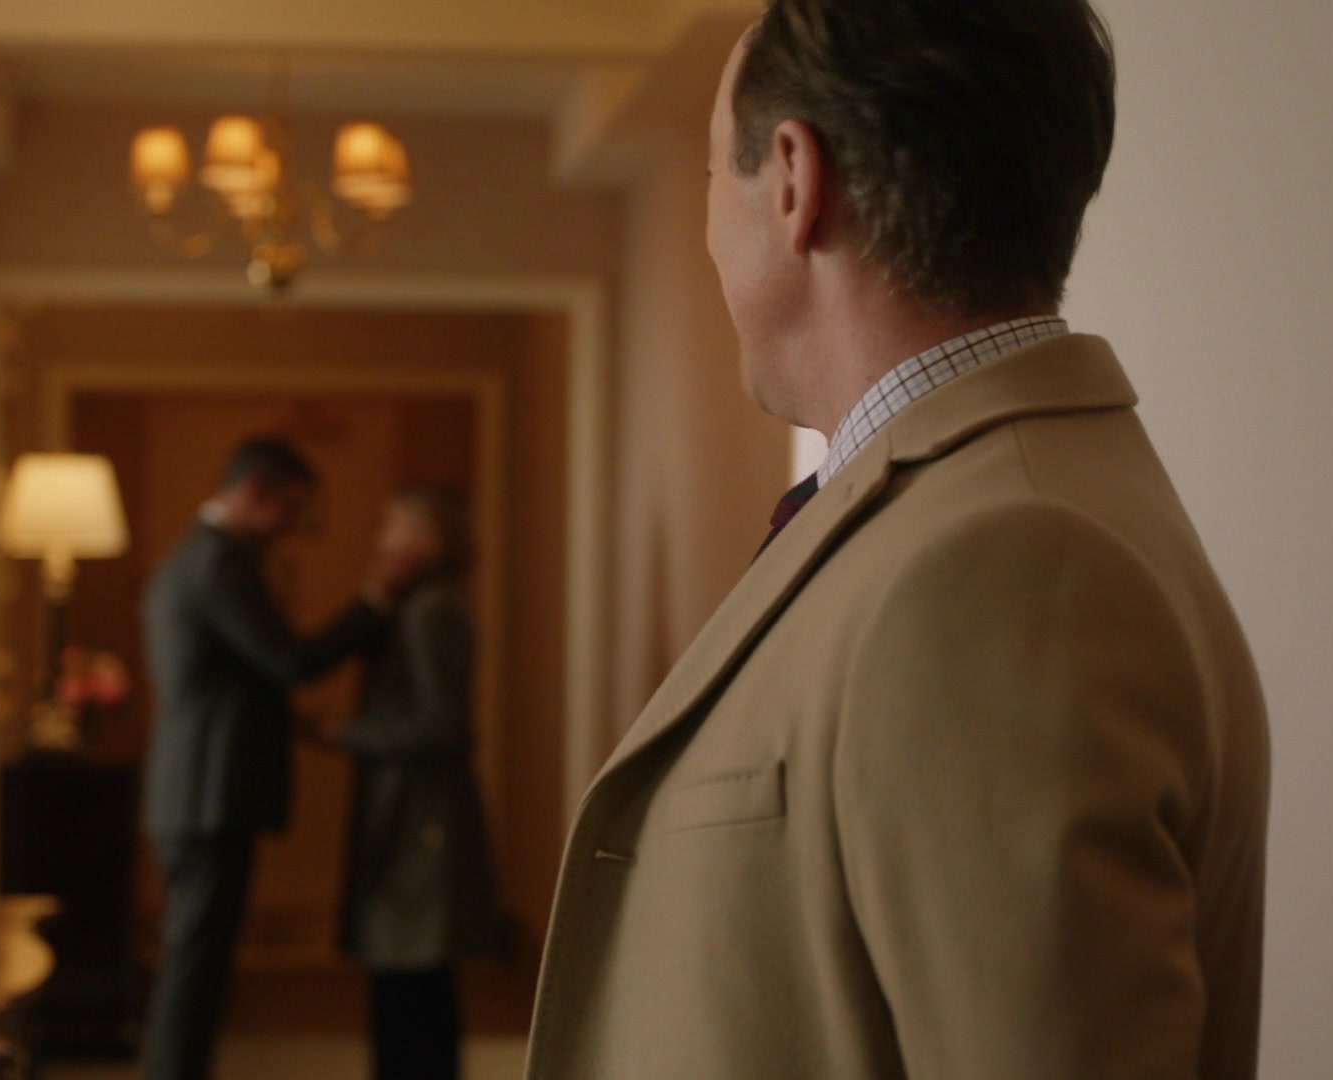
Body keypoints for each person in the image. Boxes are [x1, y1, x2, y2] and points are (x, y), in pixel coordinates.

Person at [524, 3, 1270, 1079]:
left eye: (712, 178)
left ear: (795, 180)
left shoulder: (1007, 566)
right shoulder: (987, 515)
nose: (708, 230)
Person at [139, 438, 405, 1080]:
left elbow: (229, 676)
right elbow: (290, 659)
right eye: (291, 508)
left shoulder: (197, 556)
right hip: (208, 791)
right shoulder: (220, 563)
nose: (294, 527)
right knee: (194, 971)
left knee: (197, 965)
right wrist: (374, 599)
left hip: (196, 788)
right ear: (255, 490)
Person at [329, 487, 502, 1080]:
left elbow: (441, 724)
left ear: (427, 538)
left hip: (421, 815)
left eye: (393, 526)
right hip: (407, 807)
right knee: (402, 977)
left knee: (414, 975)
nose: (381, 539)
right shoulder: (415, 606)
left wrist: (344, 733)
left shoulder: (432, 612)